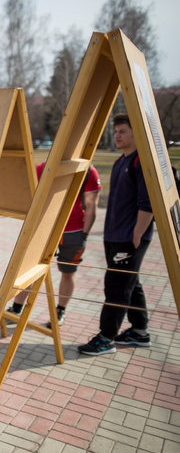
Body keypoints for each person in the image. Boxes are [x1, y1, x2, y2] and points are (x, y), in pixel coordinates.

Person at [78, 113, 154, 355]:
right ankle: (140, 332)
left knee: (116, 287)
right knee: (131, 283)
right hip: (113, 236)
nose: (117, 135)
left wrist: (137, 235)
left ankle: (105, 338)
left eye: (123, 131)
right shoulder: (121, 161)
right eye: (116, 131)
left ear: (136, 134)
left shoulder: (141, 162)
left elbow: (148, 203)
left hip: (129, 238)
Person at [5, 161, 101, 327]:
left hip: (74, 231)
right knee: (30, 269)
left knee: (68, 271)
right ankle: (16, 308)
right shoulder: (43, 167)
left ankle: (60, 311)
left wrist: (83, 234)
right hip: (45, 229)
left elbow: (92, 204)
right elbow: (30, 196)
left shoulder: (89, 170)